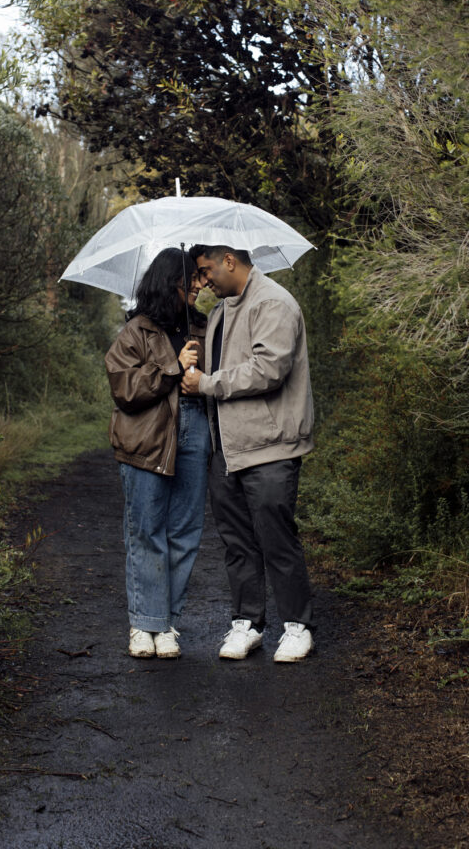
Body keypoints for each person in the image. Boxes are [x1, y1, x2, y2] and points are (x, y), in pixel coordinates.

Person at [181, 244, 315, 663]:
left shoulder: (274, 302)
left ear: (230, 261)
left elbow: (268, 371)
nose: (203, 281)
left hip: (270, 446)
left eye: (206, 271)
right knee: (237, 542)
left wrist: (206, 383)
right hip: (228, 448)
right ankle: (248, 624)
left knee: (277, 540)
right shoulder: (221, 311)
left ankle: (297, 628)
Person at [105, 248, 210, 659]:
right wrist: (172, 366)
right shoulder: (135, 332)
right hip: (146, 439)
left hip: (195, 432)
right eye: (192, 280)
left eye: (201, 279)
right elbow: (124, 390)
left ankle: (165, 622)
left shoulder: (201, 326)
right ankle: (143, 623)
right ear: (172, 282)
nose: (200, 285)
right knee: (146, 531)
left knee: (185, 531)